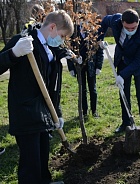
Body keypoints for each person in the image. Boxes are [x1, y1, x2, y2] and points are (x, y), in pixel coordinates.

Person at [0, 10, 74, 183]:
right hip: (26, 113)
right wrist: (13, 53)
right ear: (53, 27)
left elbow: (51, 87)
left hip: (42, 113)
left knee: (42, 157)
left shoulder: (50, 49)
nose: (61, 41)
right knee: (30, 164)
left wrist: (57, 112)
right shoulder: (23, 41)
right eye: (62, 36)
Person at [98, 9, 140, 138]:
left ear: (138, 22)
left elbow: (139, 60)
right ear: (122, 22)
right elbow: (104, 22)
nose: (131, 30)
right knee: (123, 93)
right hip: (122, 60)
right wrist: (100, 39)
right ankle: (126, 122)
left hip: (138, 65)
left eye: (133, 27)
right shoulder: (115, 20)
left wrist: (122, 75)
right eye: (127, 27)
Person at [67, 18, 104, 118]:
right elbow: (69, 52)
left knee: (93, 89)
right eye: (81, 22)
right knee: (82, 89)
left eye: (86, 22)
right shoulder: (73, 34)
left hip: (91, 65)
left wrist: (98, 66)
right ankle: (84, 112)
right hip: (79, 66)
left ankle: (94, 111)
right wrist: (71, 67)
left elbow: (99, 51)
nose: (84, 25)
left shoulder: (93, 34)